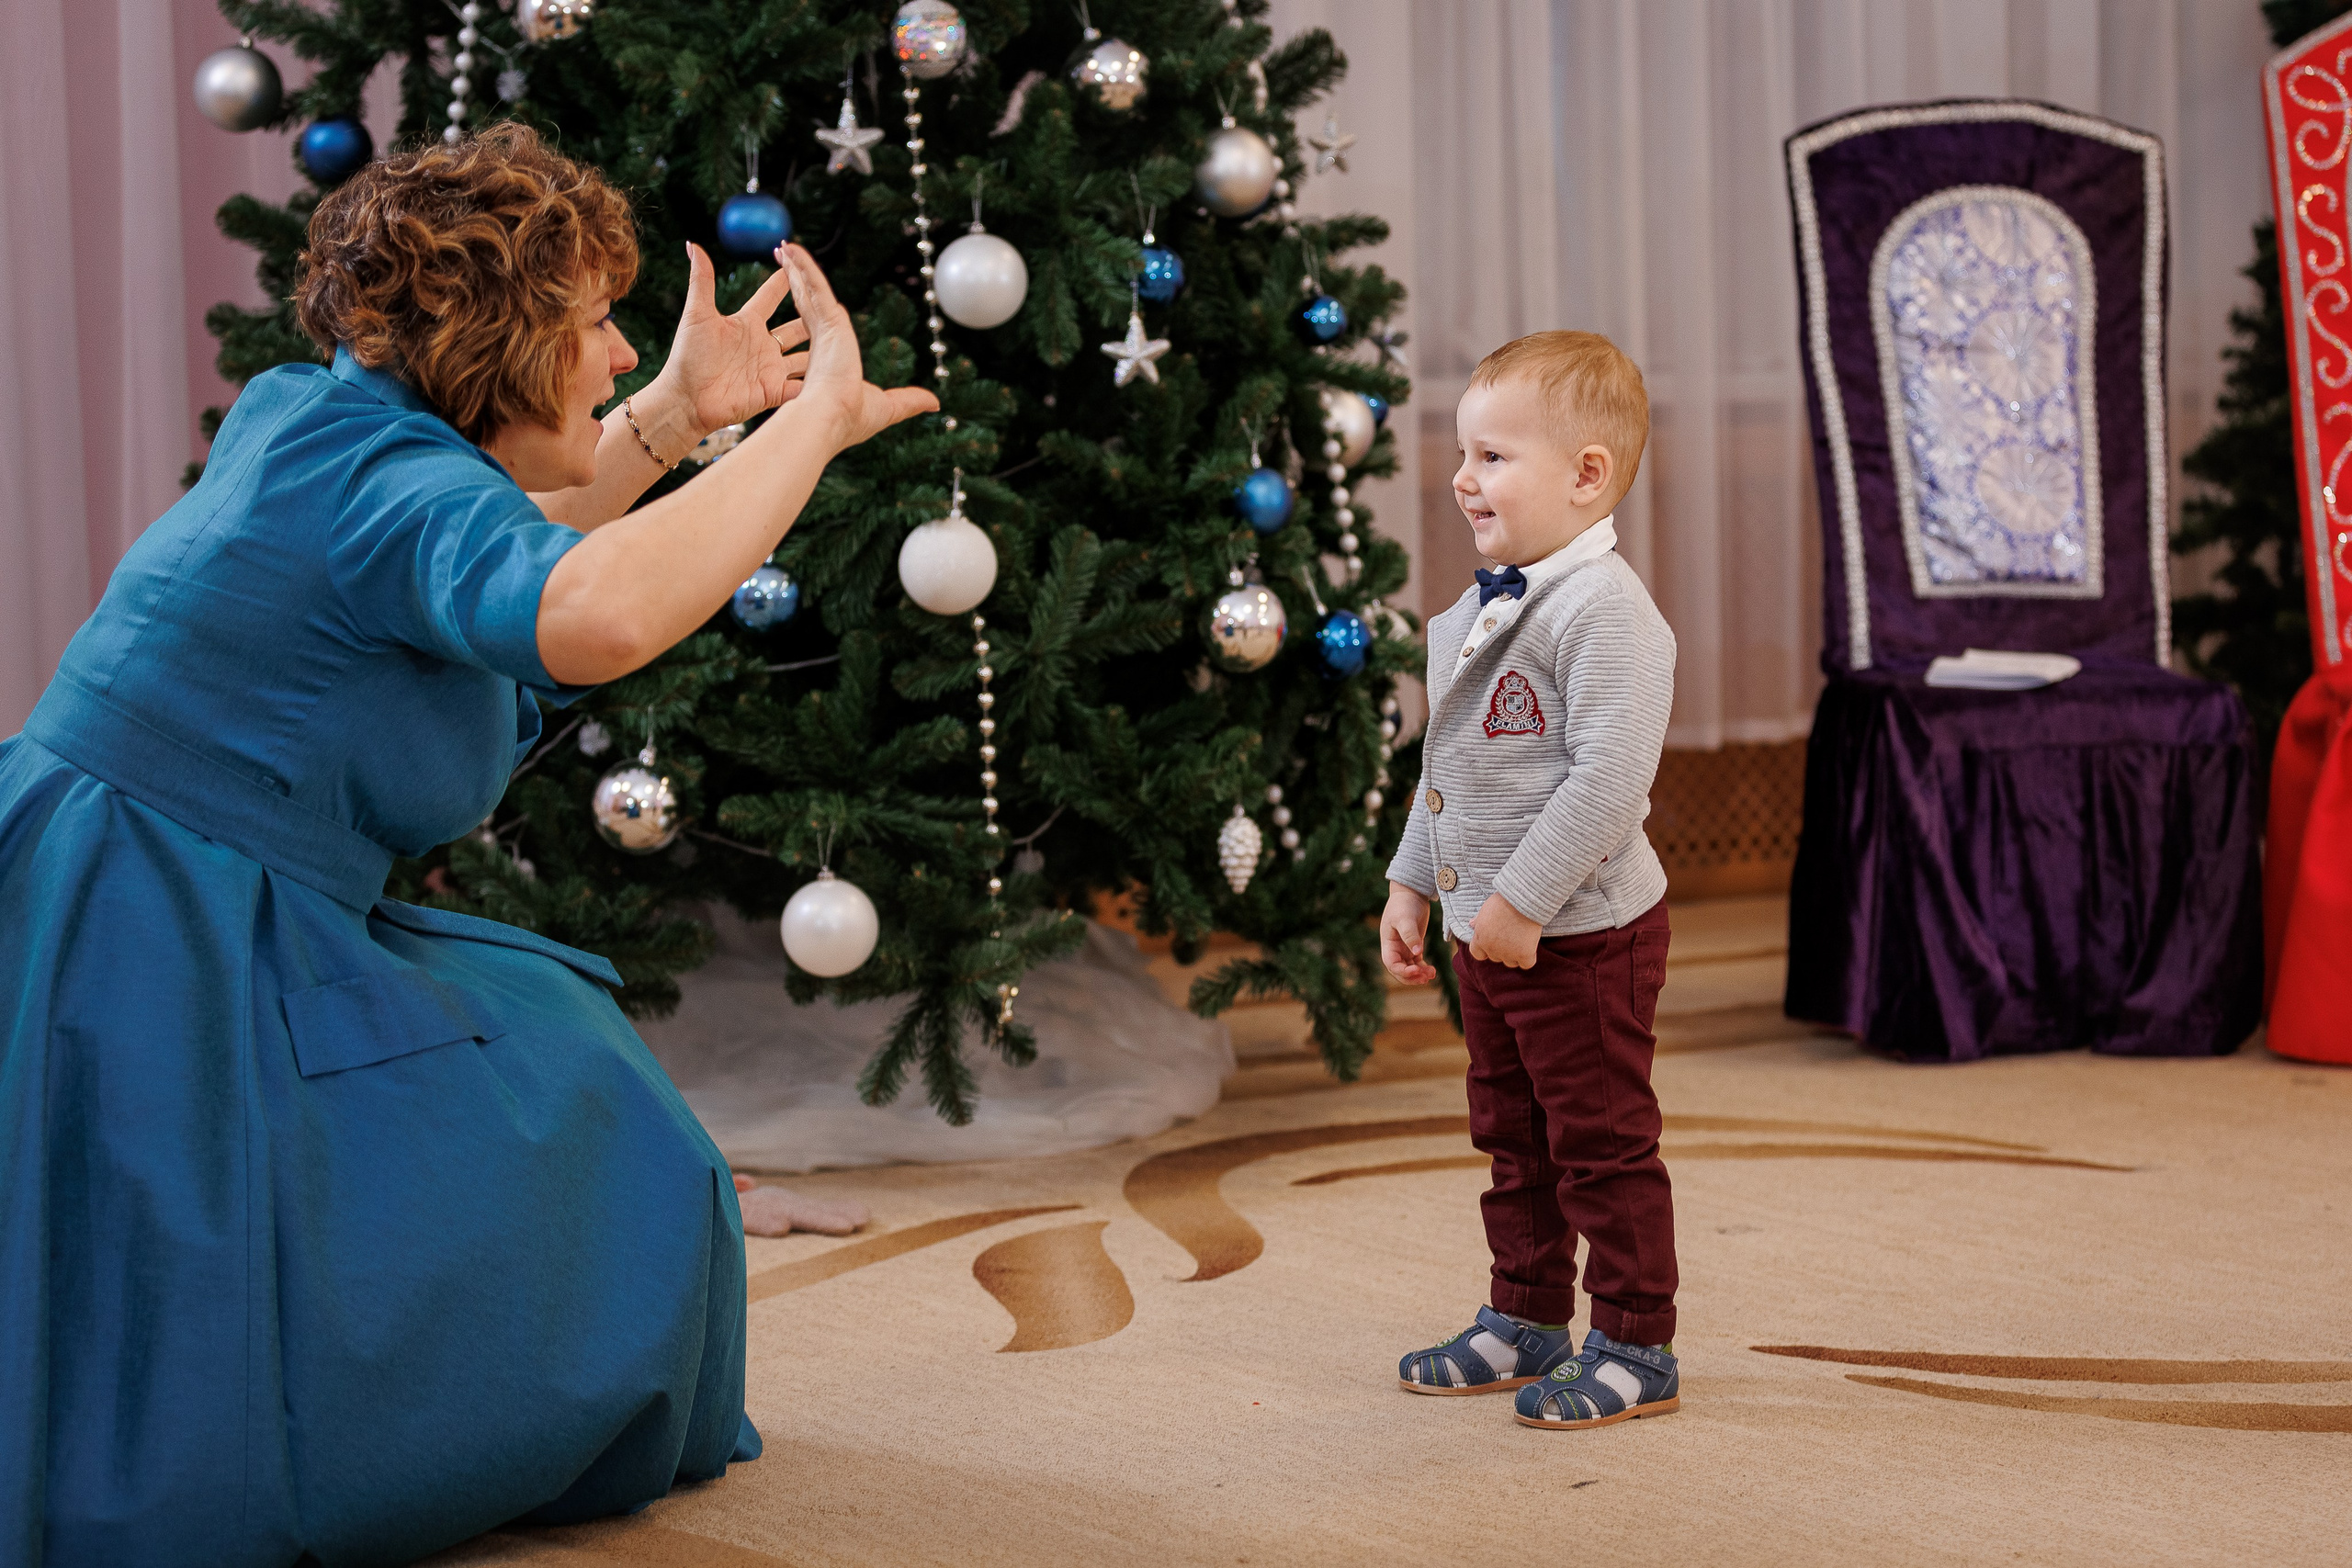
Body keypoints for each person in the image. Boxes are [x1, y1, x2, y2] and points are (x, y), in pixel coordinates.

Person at [0, 124, 933, 1565]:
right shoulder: (388, 485)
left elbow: (513, 529)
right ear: (500, 346)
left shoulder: (313, 419)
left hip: (108, 871)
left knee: (566, 1051)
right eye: (590, 327)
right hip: (165, 938)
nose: (618, 355)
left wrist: (686, 417)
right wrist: (806, 430)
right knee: (601, 1127)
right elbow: (591, 607)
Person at [1378, 331, 1682, 1431]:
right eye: (1464, 454)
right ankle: (1525, 1316)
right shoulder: (1470, 617)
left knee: (1599, 1142)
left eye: (1493, 456)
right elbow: (1447, 766)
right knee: (1512, 1139)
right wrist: (1413, 883)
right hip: (1489, 936)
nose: (1464, 478)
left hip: (1583, 935)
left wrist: (1518, 905)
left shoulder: (1609, 617)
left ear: (1586, 474)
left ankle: (1637, 1341)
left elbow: (1607, 787)